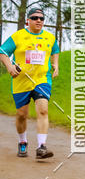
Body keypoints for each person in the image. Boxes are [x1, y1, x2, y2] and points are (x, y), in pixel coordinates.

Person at [0, 8, 59, 159]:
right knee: (22, 115)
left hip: (42, 79)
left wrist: (56, 64)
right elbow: (2, 52)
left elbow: (55, 50)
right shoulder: (18, 36)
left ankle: (41, 147)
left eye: (41, 18)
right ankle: (22, 142)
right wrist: (9, 67)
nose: (38, 20)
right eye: (34, 17)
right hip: (21, 80)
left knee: (43, 110)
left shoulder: (50, 37)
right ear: (28, 20)